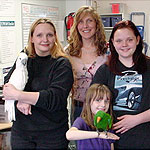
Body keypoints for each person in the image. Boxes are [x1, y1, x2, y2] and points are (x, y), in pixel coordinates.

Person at [3, 18, 74, 150]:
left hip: (52, 135)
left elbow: (54, 98)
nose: (45, 40)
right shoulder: (24, 58)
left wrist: (20, 95)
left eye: (49, 35)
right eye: (39, 35)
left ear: (55, 38)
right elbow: (8, 82)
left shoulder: (62, 64)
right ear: (32, 38)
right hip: (22, 133)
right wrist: (21, 98)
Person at [91, 20, 150, 149]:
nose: (124, 45)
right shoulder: (104, 71)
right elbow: (92, 104)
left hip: (145, 139)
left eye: (129, 40)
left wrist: (137, 119)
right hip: (115, 141)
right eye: (118, 41)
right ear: (112, 42)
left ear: (138, 40)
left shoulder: (149, 67)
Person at [65, 6, 108, 122]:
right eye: (81, 22)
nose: (85, 26)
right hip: (78, 108)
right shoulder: (68, 52)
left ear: (97, 24)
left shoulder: (107, 50)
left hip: (102, 109)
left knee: (102, 139)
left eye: (89, 21)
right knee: (79, 139)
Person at [66, 83, 119, 150]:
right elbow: (69, 135)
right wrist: (99, 135)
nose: (103, 105)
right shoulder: (82, 121)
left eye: (106, 101)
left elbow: (111, 145)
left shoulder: (108, 121)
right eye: (98, 100)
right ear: (88, 102)